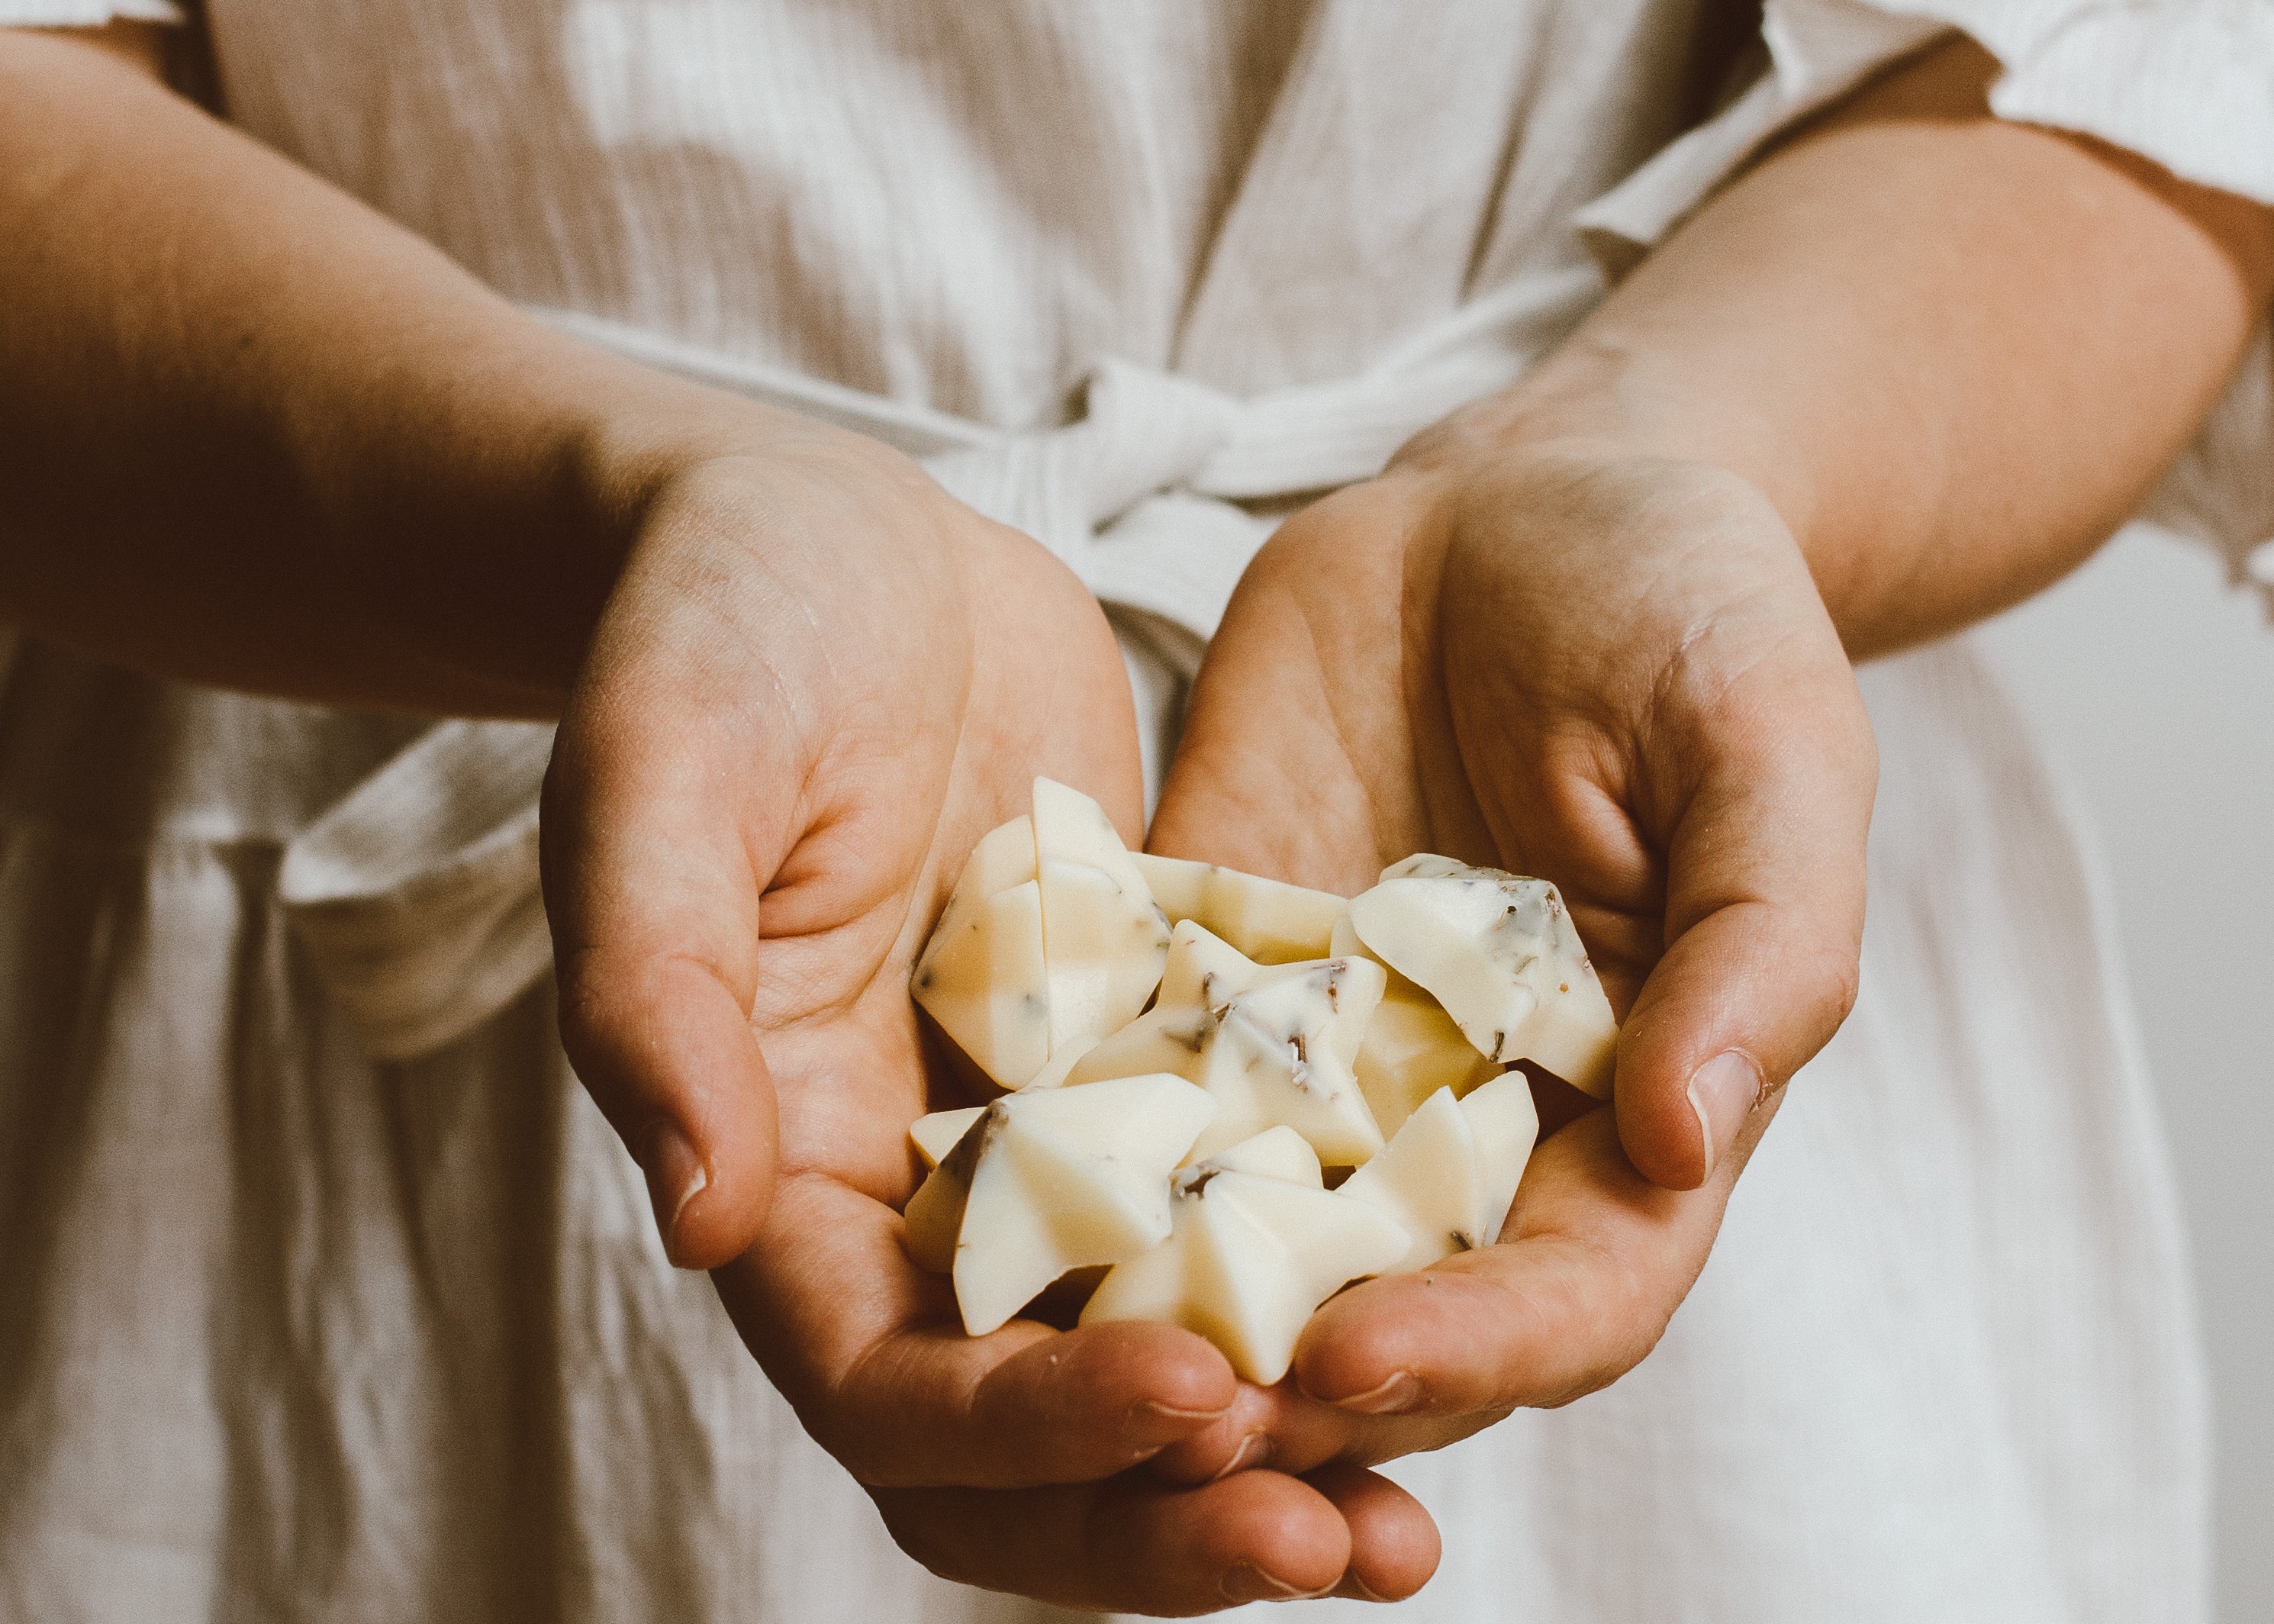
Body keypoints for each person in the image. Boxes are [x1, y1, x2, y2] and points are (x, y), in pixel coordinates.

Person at [1, 2, 2267, 1618]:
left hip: (1626, 869)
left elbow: (2167, 70)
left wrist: (1685, 452)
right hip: (403, 911)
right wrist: (628, 511)